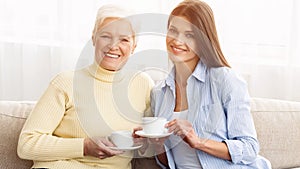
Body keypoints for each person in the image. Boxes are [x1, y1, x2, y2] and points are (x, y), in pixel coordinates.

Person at [17, 4, 154, 169]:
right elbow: (26, 144)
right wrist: (84, 146)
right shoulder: (65, 82)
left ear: (134, 46)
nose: (113, 45)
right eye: (106, 36)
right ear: (94, 38)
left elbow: (149, 144)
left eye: (124, 39)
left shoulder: (143, 84)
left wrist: (145, 140)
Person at [150, 0, 272, 168]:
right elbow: (167, 163)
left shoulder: (224, 80)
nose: (177, 41)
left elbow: (250, 148)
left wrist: (198, 141)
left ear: (203, 40)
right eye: (173, 31)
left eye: (189, 34)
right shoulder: (159, 92)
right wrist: (157, 144)